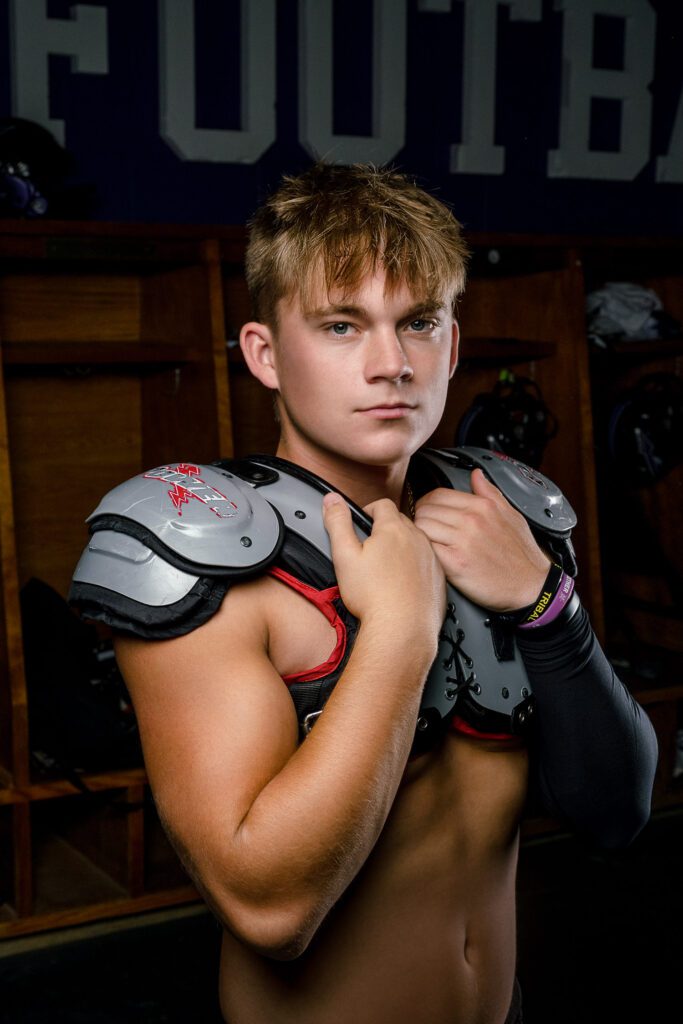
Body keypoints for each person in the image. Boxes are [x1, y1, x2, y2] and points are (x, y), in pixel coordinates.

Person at [75, 163, 658, 1024]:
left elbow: (616, 814)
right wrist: (397, 632)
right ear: (264, 355)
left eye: (417, 322)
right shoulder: (209, 562)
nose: (391, 365)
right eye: (342, 326)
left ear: (452, 346)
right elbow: (270, 912)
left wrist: (545, 604)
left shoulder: (507, 517)